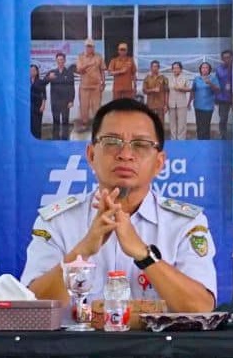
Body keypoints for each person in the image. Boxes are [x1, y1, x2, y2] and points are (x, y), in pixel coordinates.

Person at [25, 99, 216, 312]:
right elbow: (32, 309)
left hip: (158, 337)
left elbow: (201, 308)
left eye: (141, 145)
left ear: (159, 163)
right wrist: (82, 251)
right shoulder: (58, 222)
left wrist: (144, 255)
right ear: (91, 155)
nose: (125, 155)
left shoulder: (184, 224)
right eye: (112, 142)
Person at [47, 53, 76, 139]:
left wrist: (71, 101)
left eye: (62, 59)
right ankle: (56, 139)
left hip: (65, 102)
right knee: (56, 121)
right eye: (58, 60)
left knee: (65, 121)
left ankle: (65, 139)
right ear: (56, 61)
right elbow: (43, 82)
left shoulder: (69, 73)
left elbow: (72, 88)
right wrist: (49, 78)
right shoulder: (52, 72)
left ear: (65, 60)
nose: (60, 61)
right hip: (55, 101)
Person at [76, 42, 104, 128]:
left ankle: (97, 124)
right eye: (88, 46)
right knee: (84, 106)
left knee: (96, 106)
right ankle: (84, 123)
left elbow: (102, 70)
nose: (89, 48)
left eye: (91, 46)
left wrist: (103, 83)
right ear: (85, 47)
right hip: (84, 86)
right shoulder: (80, 57)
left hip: (96, 86)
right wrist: (88, 64)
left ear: (94, 47)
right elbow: (79, 70)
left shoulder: (99, 56)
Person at [191, 62, 220, 139]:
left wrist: (210, 83)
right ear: (200, 69)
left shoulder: (213, 78)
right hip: (197, 106)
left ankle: (206, 143)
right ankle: (200, 142)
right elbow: (193, 90)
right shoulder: (197, 79)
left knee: (205, 127)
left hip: (208, 107)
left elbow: (217, 90)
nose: (204, 69)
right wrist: (192, 100)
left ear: (209, 69)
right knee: (199, 126)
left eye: (206, 67)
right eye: (203, 67)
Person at [165, 62, 192, 139]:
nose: (175, 69)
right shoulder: (168, 79)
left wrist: (181, 88)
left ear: (181, 69)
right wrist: (166, 104)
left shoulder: (185, 78)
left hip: (182, 104)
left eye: (177, 68)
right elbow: (167, 91)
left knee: (182, 124)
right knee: (172, 124)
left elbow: (190, 89)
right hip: (171, 104)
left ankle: (181, 140)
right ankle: (173, 139)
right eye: (174, 68)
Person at [213, 50, 233, 137]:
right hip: (223, 98)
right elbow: (216, 83)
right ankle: (223, 136)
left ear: (232, 57)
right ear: (222, 59)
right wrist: (216, 97)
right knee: (223, 119)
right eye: (224, 58)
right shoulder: (219, 69)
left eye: (228, 57)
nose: (226, 59)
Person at [29, 65, 48, 139]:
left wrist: (43, 105)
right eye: (30, 70)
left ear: (37, 72)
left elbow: (44, 94)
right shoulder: (26, 81)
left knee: (37, 124)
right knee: (30, 124)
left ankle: (37, 138)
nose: (32, 72)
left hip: (38, 105)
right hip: (29, 105)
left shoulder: (40, 82)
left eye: (34, 70)